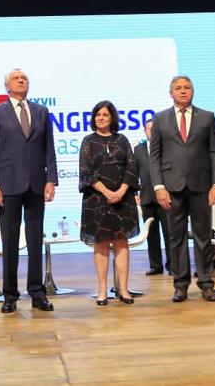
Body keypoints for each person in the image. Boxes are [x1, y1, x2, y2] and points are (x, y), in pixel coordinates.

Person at [0, 68, 57, 314]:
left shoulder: (40, 111)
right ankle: (10, 296)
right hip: (8, 185)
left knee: (35, 240)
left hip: (36, 184)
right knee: (10, 242)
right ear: (7, 86)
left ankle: (37, 293)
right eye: (16, 78)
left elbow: (49, 149)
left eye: (24, 77)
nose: (21, 80)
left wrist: (51, 180)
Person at [149, 75, 215, 303]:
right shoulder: (160, 119)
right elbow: (155, 156)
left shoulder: (207, 117)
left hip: (202, 185)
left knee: (204, 236)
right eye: (178, 88)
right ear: (171, 93)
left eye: (187, 87)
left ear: (193, 91)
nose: (183, 91)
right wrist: (159, 186)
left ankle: (206, 283)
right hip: (171, 187)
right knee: (175, 238)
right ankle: (180, 284)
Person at [79, 101, 139, 305]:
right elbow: (86, 172)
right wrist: (106, 192)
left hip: (123, 200)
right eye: (98, 115)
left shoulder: (122, 140)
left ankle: (124, 290)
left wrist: (121, 191)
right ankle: (102, 290)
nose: (101, 118)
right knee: (101, 244)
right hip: (97, 200)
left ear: (112, 117)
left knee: (122, 243)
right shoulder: (88, 141)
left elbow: (131, 168)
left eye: (105, 115)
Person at [134, 118, 170, 275]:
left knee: (170, 234)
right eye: (149, 129)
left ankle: (173, 265)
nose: (152, 131)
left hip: (166, 197)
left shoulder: (167, 148)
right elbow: (133, 173)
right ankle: (155, 265)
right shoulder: (138, 149)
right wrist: (135, 193)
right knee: (152, 235)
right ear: (144, 131)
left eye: (154, 128)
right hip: (146, 197)